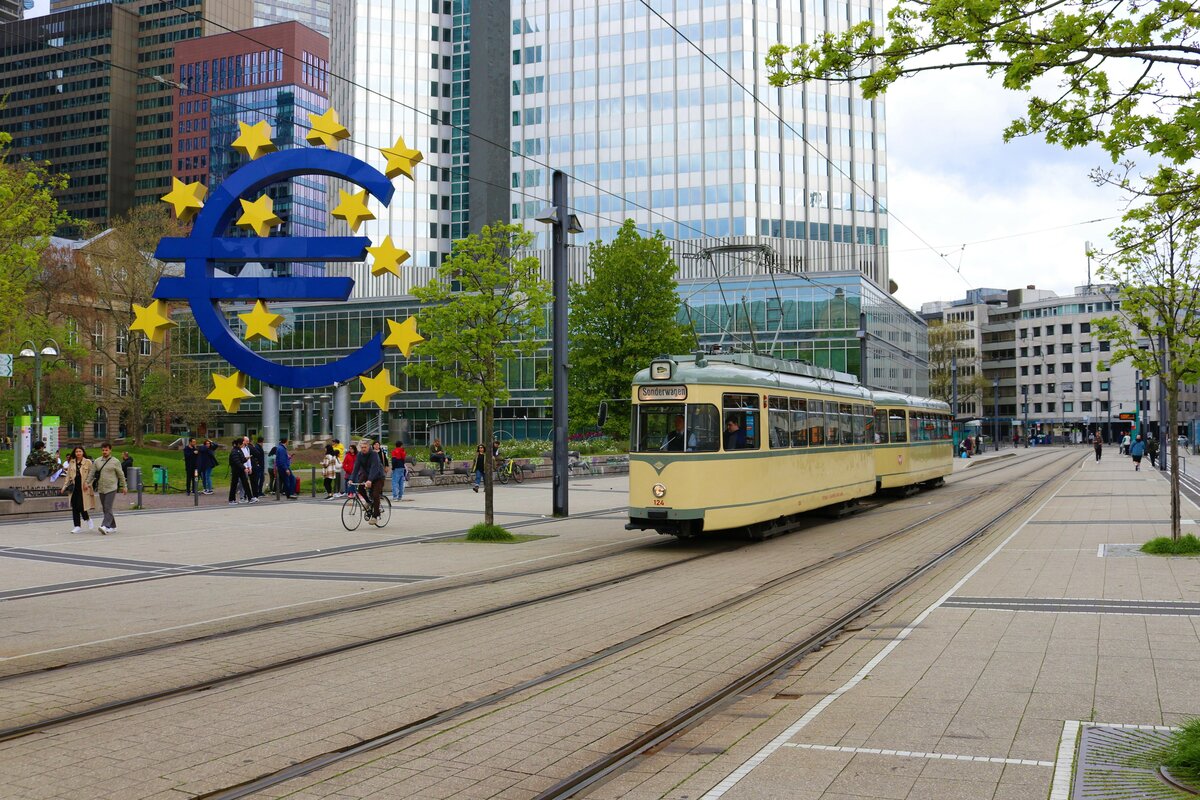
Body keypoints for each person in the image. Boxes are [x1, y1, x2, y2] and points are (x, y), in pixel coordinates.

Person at [91, 442, 128, 534]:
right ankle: (113, 526)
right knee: (105, 508)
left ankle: (105, 525)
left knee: (108, 507)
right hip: (101, 487)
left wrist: (124, 486)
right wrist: (87, 483)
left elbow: (121, 475)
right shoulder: (97, 461)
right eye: (103, 450)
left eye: (106, 450)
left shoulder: (115, 461)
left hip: (111, 487)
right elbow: (92, 473)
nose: (104, 452)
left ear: (110, 450)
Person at [60, 446, 95, 533]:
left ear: (83, 452)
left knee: (81, 505)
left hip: (84, 487)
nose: (78, 453)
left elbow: (92, 475)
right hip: (74, 487)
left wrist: (88, 483)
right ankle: (77, 526)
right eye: (76, 452)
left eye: (80, 451)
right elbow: (68, 475)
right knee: (74, 506)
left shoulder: (88, 462)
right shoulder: (72, 462)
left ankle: (87, 519)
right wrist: (64, 486)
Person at [350, 439, 385, 523]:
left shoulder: (374, 454)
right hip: (366, 475)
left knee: (375, 494)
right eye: (362, 447)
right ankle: (368, 502)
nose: (363, 449)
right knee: (360, 488)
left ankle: (375, 516)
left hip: (378, 476)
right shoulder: (359, 455)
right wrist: (351, 479)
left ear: (369, 447)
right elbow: (356, 467)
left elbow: (374, 467)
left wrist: (370, 480)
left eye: (365, 447)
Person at [228, 437, 256, 505]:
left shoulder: (239, 450)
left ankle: (250, 498)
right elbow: (237, 462)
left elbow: (241, 459)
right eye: (243, 443)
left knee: (245, 483)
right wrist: (244, 468)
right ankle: (231, 500)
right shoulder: (234, 451)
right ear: (239, 444)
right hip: (236, 470)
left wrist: (246, 458)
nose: (244, 445)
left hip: (241, 470)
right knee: (234, 484)